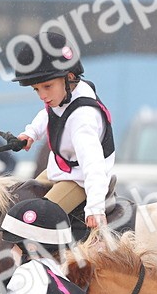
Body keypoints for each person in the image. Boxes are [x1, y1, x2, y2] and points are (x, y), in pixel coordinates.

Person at [14, 31, 115, 230]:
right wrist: (31, 133)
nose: (42, 95)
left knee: (36, 221)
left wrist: (95, 208)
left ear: (69, 77)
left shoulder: (83, 119)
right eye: (36, 89)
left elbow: (93, 165)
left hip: (80, 181)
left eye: (47, 86)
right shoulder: (64, 96)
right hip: (59, 171)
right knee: (19, 197)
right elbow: (47, 115)